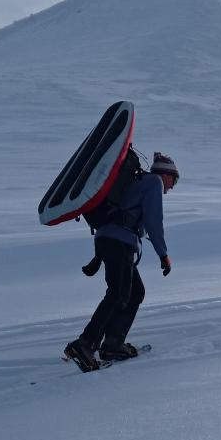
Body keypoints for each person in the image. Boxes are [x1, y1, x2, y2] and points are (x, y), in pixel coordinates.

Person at [64, 152, 178, 372]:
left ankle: (113, 344)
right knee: (118, 293)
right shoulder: (153, 182)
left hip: (110, 239)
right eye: (175, 179)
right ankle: (85, 344)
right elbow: (155, 221)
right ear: (166, 174)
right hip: (119, 241)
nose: (172, 186)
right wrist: (163, 254)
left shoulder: (138, 182)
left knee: (134, 292)